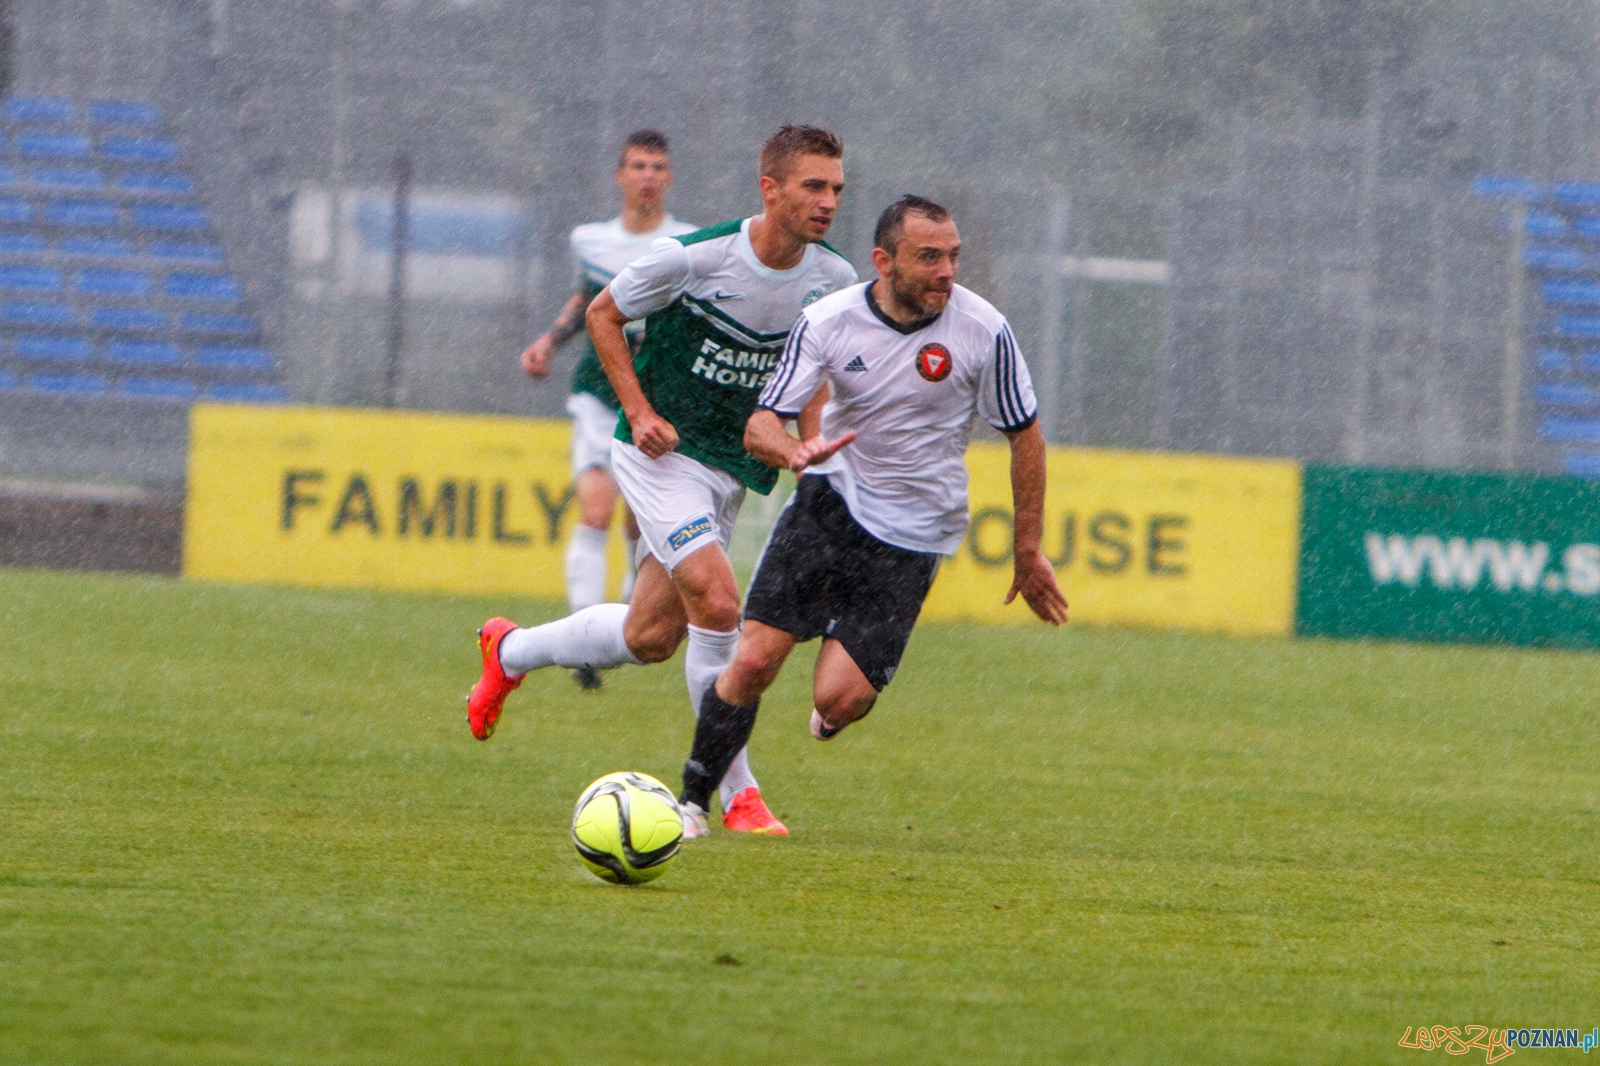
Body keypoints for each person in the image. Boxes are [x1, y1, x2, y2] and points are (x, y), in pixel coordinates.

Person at [468, 126, 860, 835]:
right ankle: (731, 795)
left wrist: (815, 448)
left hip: (730, 466)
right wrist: (641, 412)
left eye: (835, 187)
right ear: (770, 189)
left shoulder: (833, 280)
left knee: (650, 636)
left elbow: (814, 373)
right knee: (718, 601)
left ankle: (511, 650)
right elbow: (603, 314)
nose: (829, 200)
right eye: (813, 186)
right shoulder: (697, 256)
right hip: (661, 454)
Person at [674, 195, 1070, 837]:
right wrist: (795, 452)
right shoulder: (829, 320)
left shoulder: (983, 328)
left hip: (916, 536)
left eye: (953, 256)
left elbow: (1026, 437)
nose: (947, 271)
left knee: (840, 699)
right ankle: (690, 804)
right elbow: (760, 424)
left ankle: (831, 712)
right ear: (884, 262)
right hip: (829, 504)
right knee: (752, 663)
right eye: (929, 257)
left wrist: (1028, 551)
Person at [519, 129, 697, 690]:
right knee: (595, 511)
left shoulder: (687, 243)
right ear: (620, 176)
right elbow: (587, 299)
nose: (648, 176)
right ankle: (582, 646)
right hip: (601, 386)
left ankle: (622, 619)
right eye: (638, 166)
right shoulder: (590, 240)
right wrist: (549, 341)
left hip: (657, 389)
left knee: (638, 521)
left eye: (657, 167)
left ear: (669, 177)